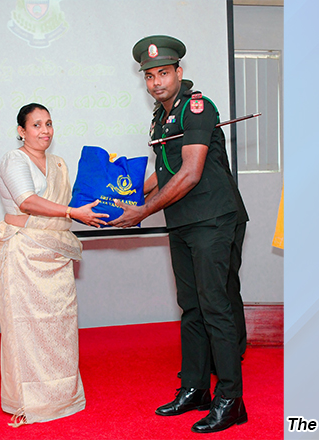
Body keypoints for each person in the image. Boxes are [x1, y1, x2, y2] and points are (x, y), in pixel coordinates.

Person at [109, 36, 249, 434]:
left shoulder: (197, 108)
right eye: (149, 76)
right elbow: (165, 172)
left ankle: (230, 399)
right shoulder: (161, 117)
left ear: (178, 73)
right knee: (190, 307)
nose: (156, 82)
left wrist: (143, 211)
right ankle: (195, 388)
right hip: (184, 221)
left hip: (213, 219)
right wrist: (123, 198)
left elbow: (190, 172)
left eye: (163, 73)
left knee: (215, 307)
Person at [0, 103, 108, 427]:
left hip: (56, 253)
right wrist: (72, 212)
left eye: (49, 124)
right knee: (25, 327)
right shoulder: (14, 159)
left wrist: (112, 201)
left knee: (60, 326)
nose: (45, 131)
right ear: (21, 131)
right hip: (24, 251)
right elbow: (27, 201)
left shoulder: (58, 163)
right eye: (37, 125)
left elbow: (72, 204)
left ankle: (62, 396)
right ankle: (28, 401)